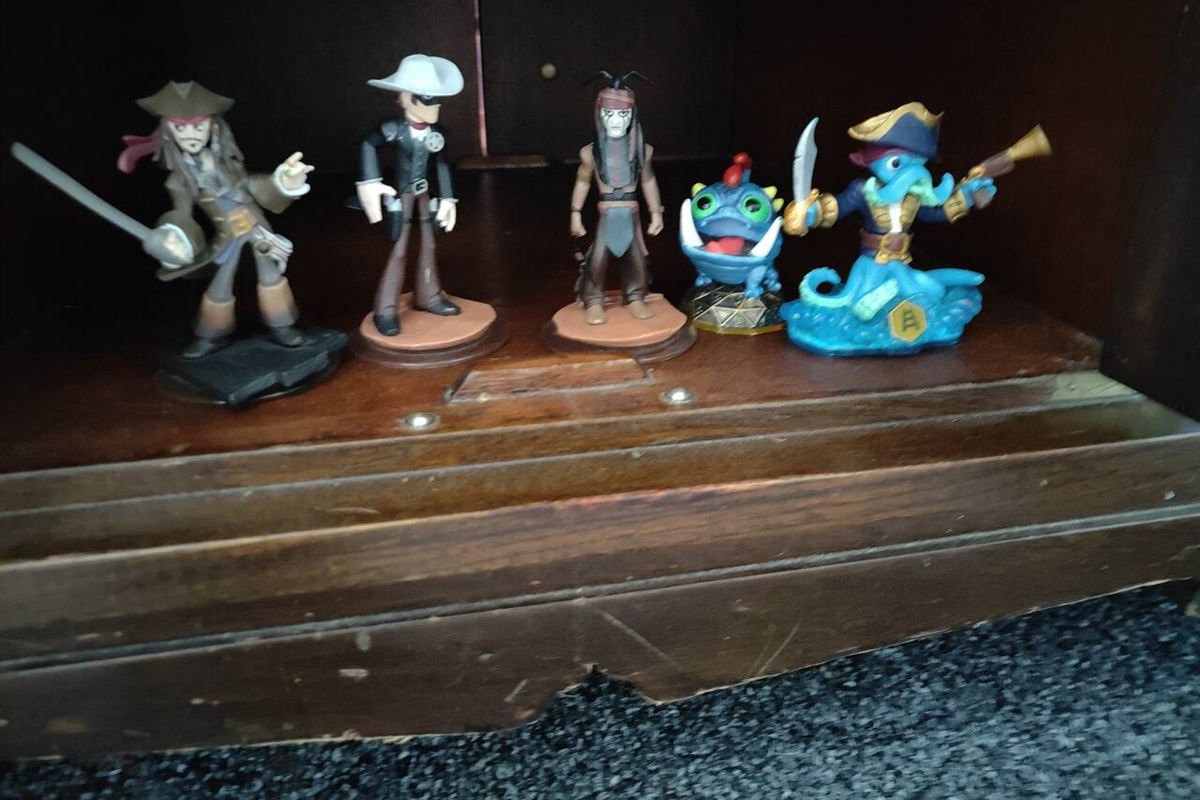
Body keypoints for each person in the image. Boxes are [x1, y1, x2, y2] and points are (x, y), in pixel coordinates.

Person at [119, 81, 313, 359]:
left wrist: (283, 181)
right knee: (221, 284)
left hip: (256, 230)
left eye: (198, 126)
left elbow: (251, 187)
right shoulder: (179, 181)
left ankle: (282, 327)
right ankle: (212, 335)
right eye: (180, 128)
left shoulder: (229, 163)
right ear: (168, 132)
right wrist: (171, 237)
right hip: (227, 238)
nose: (191, 135)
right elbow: (181, 216)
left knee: (270, 276)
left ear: (214, 127)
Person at [356, 54, 464, 336]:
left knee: (429, 244)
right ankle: (385, 309)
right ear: (404, 98)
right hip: (401, 194)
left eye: (437, 99)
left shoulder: (438, 134)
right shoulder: (394, 130)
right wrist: (369, 182)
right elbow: (368, 143)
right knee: (399, 248)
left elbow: (442, 165)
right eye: (426, 99)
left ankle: (429, 295)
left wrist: (449, 198)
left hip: (426, 194)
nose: (434, 106)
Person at [570, 72, 665, 325]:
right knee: (598, 258)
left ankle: (635, 296)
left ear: (632, 115)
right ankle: (593, 299)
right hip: (607, 213)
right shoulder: (590, 153)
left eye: (622, 114)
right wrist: (575, 214)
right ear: (599, 114)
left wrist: (656, 212)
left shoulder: (642, 152)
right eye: (609, 113)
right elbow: (582, 181)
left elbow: (648, 180)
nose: (615, 120)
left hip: (631, 212)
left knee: (635, 258)